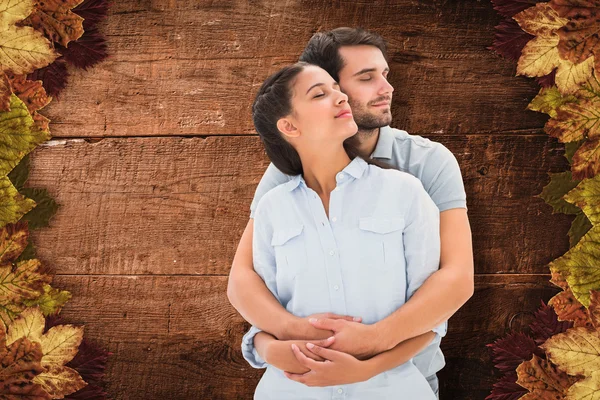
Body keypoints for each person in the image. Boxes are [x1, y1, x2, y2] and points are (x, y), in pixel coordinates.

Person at [228, 27, 474, 398]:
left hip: (404, 378)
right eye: (365, 77)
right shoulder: (281, 185)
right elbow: (245, 277)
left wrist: (370, 348)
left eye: (384, 75)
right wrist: (281, 337)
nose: (386, 88)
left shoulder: (423, 167)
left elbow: (455, 278)